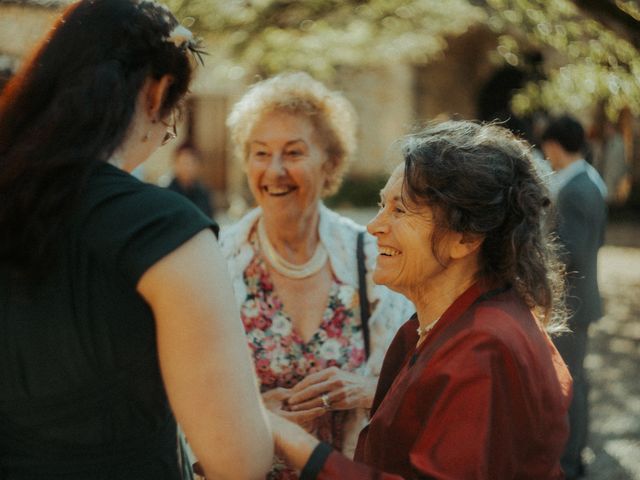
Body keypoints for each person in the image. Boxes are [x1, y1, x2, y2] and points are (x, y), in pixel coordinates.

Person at [0, 1, 272, 479]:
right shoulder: (165, 230)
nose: (170, 130)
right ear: (157, 91)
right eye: (176, 111)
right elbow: (239, 459)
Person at [268, 120, 573, 479]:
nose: (375, 226)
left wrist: (289, 439)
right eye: (382, 205)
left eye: (400, 210)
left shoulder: (485, 346)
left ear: (465, 238)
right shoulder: (444, 324)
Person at [220, 72, 414, 478]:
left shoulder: (370, 257)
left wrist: (367, 390)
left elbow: (417, 384)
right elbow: (184, 398)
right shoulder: (217, 262)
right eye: (260, 153)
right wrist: (252, 416)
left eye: (293, 153)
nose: (274, 171)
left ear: (330, 163)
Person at [541, 115, 607, 480]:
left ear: (553, 145)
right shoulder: (585, 182)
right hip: (579, 300)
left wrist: (532, 256)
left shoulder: (578, 188)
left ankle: (570, 462)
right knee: (575, 381)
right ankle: (571, 457)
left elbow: (572, 251)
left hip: (574, 303)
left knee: (571, 385)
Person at [167, 142, 214, 218]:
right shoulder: (168, 193)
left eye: (192, 163)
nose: (188, 168)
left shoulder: (204, 192)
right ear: (176, 164)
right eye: (185, 163)